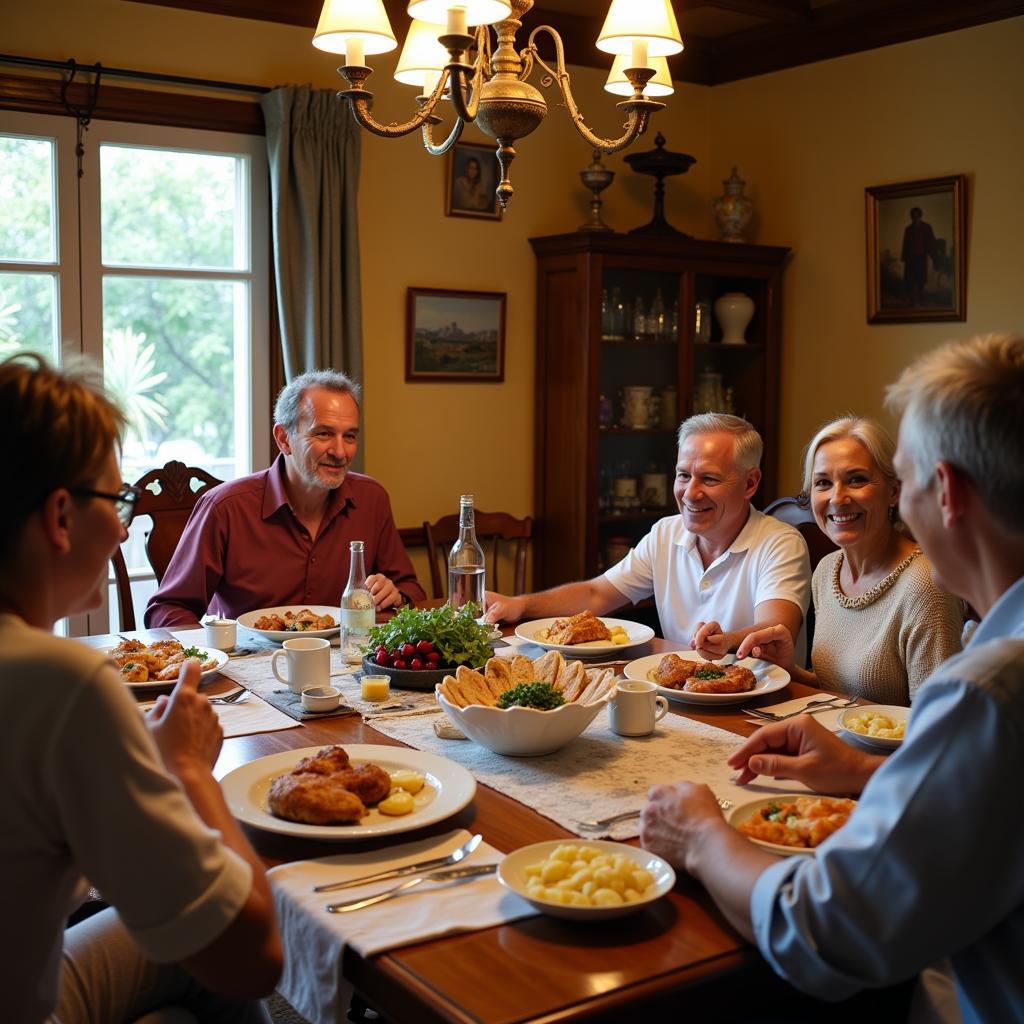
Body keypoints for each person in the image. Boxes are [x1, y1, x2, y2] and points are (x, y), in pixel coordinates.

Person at [640, 333, 1024, 1022]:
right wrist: (857, 768)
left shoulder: (991, 689)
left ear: (948, 494)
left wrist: (700, 836)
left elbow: (830, 931)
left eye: (901, 483)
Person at [0, 353, 282, 1023]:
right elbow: (255, 959)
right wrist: (185, 768)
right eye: (118, 500)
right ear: (61, 516)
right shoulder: (61, 683)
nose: (126, 527)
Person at [486, 413, 811, 658]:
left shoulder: (781, 543)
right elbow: (596, 595)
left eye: (709, 479)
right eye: (683, 475)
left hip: (759, 707)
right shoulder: (665, 533)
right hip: (680, 693)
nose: (690, 493)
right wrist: (520, 604)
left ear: (750, 484)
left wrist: (727, 641)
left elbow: (775, 630)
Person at [146, 369, 425, 627]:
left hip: (345, 666)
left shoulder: (372, 499)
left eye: (349, 436)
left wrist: (396, 595)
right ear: (283, 438)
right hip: (249, 667)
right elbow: (167, 609)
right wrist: (210, 655)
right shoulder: (225, 508)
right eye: (324, 433)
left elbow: (411, 589)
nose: (340, 452)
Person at [738, 415, 962, 705]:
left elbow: (937, 724)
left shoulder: (926, 586)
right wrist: (790, 671)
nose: (837, 498)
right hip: (835, 739)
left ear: (893, 491)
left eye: (856, 480)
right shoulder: (828, 570)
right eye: (823, 483)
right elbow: (843, 689)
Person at [901, 206, 936, 306]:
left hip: (921, 256)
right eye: (913, 216)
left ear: (920, 216)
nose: (915, 217)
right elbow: (905, 244)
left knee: (921, 277)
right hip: (911, 257)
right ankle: (911, 298)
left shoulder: (926, 227)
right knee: (910, 278)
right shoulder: (908, 229)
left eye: (917, 215)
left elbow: (930, 241)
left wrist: (933, 255)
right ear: (911, 217)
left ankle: (921, 296)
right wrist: (904, 256)